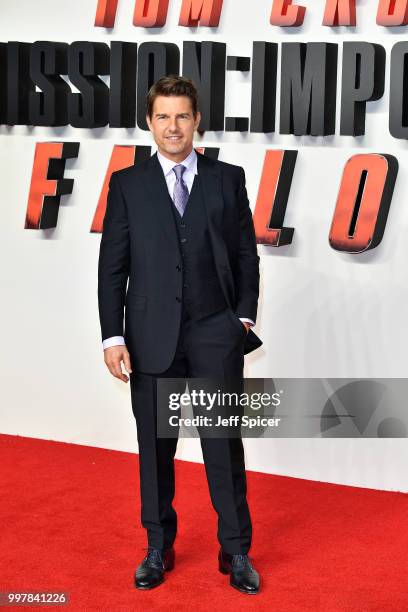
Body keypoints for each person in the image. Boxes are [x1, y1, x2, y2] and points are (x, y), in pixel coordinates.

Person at [97, 75, 263, 594]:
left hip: (216, 332)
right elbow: (112, 268)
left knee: (223, 446)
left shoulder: (226, 178)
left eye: (182, 116)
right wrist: (112, 336)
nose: (173, 126)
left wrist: (242, 318)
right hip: (148, 337)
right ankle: (157, 547)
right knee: (155, 449)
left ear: (197, 121)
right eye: (163, 116)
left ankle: (235, 551)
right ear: (149, 122)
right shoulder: (128, 184)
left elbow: (244, 254)